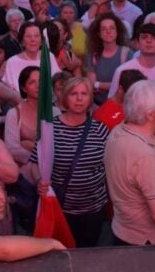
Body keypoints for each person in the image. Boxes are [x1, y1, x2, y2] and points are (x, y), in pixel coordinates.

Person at [28, 76, 110, 248]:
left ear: (90, 99)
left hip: (93, 210)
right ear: (65, 97)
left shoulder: (101, 130)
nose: (79, 98)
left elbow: (111, 166)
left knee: (87, 255)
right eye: (74, 94)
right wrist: (39, 181)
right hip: (61, 209)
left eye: (84, 94)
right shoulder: (50, 129)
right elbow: (35, 162)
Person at [104, 79, 155, 246]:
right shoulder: (144, 156)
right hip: (149, 243)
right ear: (150, 115)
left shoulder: (119, 131)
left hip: (123, 231)